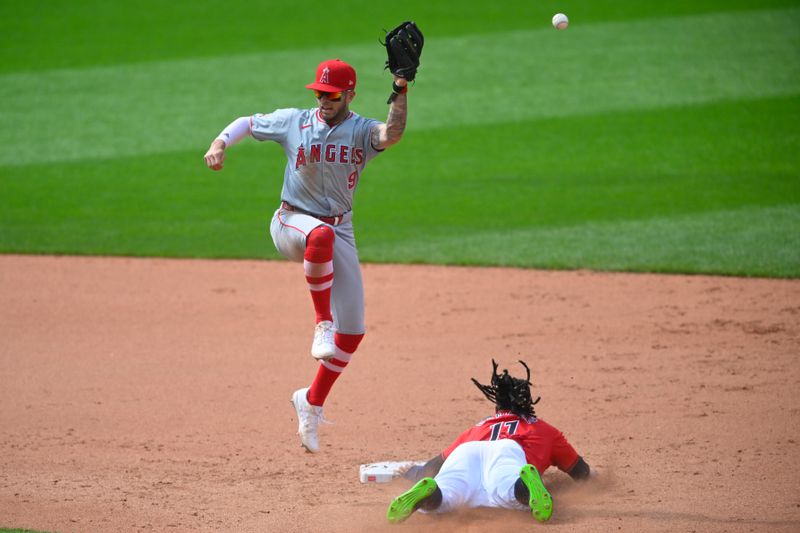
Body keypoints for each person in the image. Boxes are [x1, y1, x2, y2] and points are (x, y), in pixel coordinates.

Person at [203, 58, 411, 453]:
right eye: (319, 92)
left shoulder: (362, 130)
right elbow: (248, 121)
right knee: (318, 236)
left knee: (352, 332)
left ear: (350, 94)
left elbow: (393, 133)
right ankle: (321, 322)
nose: (323, 99)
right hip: (290, 222)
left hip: (339, 227)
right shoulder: (294, 121)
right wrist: (219, 143)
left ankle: (311, 402)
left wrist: (400, 88)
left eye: (331, 94)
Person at [386, 359, 591, 524]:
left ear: (497, 404)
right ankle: (526, 485)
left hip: (467, 451)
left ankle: (429, 493)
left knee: (446, 496)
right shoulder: (546, 431)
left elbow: (430, 468)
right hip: (508, 452)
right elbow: (581, 472)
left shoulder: (478, 427)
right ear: (528, 403)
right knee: (508, 492)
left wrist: (410, 472)